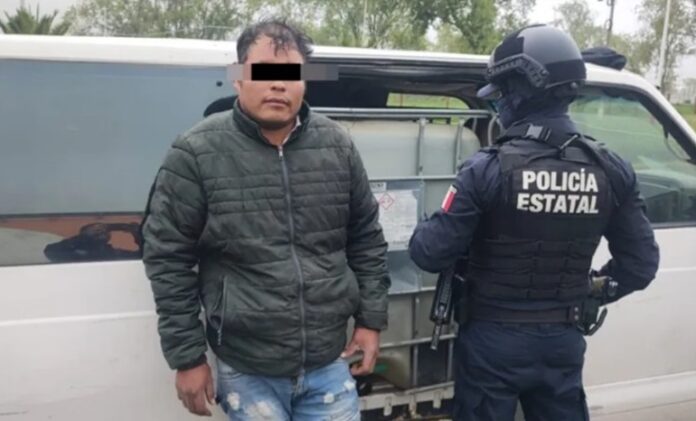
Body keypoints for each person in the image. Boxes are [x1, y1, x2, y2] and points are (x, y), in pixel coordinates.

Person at [141, 18, 390, 420]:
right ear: (238, 78)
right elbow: (167, 257)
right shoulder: (195, 152)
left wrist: (370, 321)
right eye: (263, 72)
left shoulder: (338, 145)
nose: (278, 85)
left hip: (329, 359)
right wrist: (187, 357)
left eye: (291, 74)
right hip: (247, 366)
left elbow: (366, 238)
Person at [408, 24, 659, 421]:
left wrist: (426, 221)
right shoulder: (610, 170)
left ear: (520, 91)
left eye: (501, 94)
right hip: (563, 341)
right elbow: (641, 265)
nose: (499, 105)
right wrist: (589, 292)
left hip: (492, 343)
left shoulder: (486, 169)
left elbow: (429, 252)